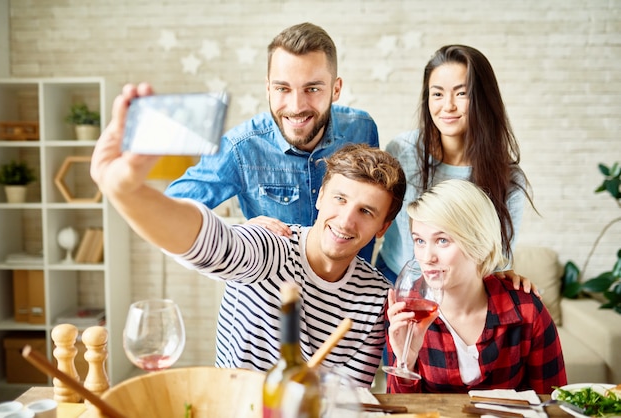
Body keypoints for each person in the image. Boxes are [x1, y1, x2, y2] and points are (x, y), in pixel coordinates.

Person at [90, 83, 406, 388]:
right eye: (340, 199)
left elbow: (348, 397)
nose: (347, 221)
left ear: (383, 227)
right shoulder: (272, 248)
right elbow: (204, 242)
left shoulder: (376, 295)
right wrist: (127, 193)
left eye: (366, 212)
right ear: (320, 197)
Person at [164, 22, 379, 261]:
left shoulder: (363, 129)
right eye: (282, 89)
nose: (296, 107)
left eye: (312, 89)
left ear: (335, 89)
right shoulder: (241, 147)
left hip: (348, 293)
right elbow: (168, 212)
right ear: (268, 88)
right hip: (272, 294)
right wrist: (239, 234)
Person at [385, 179, 566, 394]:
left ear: (478, 243)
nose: (427, 257)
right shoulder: (407, 311)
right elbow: (399, 412)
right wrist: (407, 361)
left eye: (442, 240)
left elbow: (555, 404)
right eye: (420, 241)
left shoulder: (527, 311)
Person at [376, 44, 533, 284]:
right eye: (437, 94)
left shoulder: (508, 179)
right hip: (393, 279)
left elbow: (499, 261)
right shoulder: (401, 151)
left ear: (483, 98)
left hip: (458, 292)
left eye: (461, 93)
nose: (448, 106)